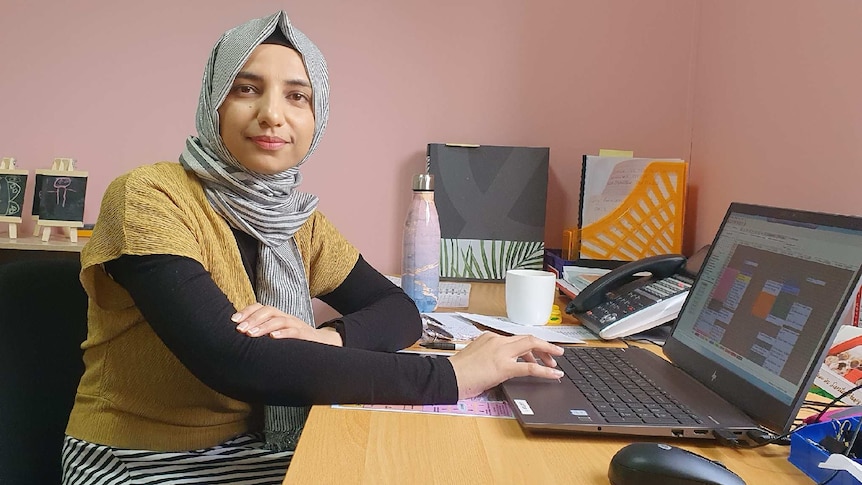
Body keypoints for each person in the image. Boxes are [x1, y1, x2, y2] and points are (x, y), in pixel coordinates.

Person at [61, 10, 564, 484]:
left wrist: (327, 339)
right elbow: (234, 360)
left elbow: (397, 308)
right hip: (140, 460)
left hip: (256, 449)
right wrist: (449, 375)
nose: (271, 114)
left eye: (297, 97)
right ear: (213, 101)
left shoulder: (296, 221)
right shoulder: (149, 196)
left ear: (317, 115)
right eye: (246, 89)